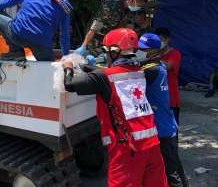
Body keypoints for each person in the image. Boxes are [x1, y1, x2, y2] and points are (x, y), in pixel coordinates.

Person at [63, 28, 167, 187]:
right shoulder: (139, 72)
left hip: (127, 147)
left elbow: (69, 84)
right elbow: (114, 72)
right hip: (152, 144)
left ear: (115, 51)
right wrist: (90, 68)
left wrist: (68, 66)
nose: (105, 54)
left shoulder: (104, 78)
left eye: (106, 50)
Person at [138, 33, 187, 187]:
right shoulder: (158, 66)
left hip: (162, 127)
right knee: (172, 164)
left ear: (153, 51)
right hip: (166, 124)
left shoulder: (151, 70)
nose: (139, 51)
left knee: (170, 171)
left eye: (143, 49)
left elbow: (125, 74)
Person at [74, 0, 153, 57]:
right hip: (96, 42)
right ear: (132, 0)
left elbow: (127, 30)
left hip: (112, 44)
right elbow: (94, 28)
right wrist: (84, 46)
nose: (138, 8)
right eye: (139, 5)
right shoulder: (110, 5)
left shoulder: (131, 12)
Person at [155, 27, 182, 124]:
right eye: (158, 40)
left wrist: (152, 60)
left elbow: (166, 67)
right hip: (156, 99)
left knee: (172, 131)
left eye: (163, 39)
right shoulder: (153, 53)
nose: (161, 42)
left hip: (171, 99)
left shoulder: (175, 54)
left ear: (168, 39)